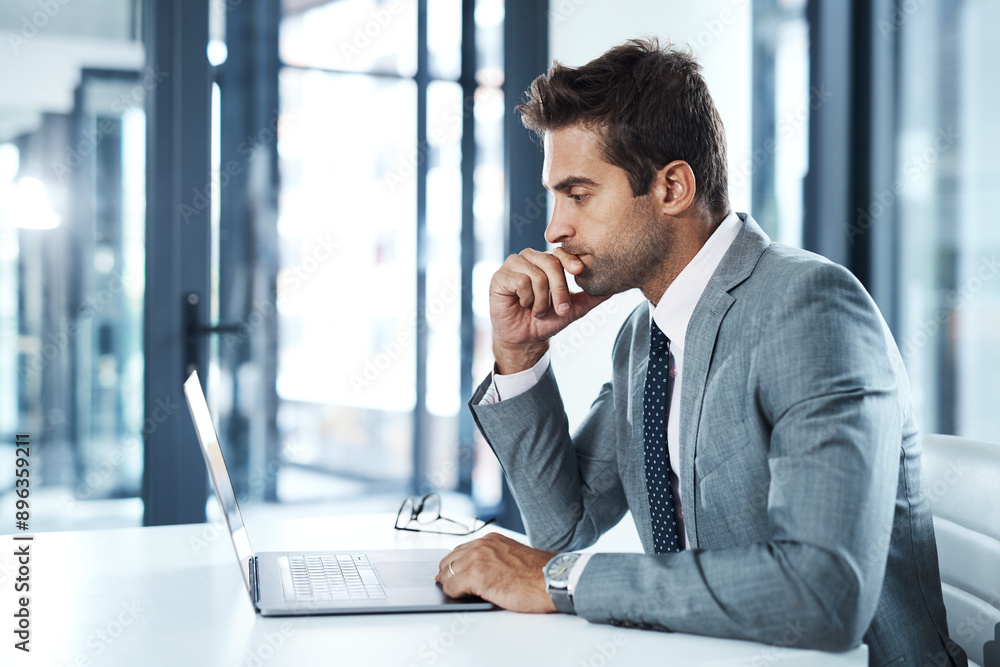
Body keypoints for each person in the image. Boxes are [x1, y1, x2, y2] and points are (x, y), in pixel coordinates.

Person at [433, 38, 966, 666]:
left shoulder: (809, 306)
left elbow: (823, 594)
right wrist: (519, 356)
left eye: (578, 194)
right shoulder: (646, 336)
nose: (553, 228)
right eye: (555, 197)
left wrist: (565, 581)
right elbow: (565, 530)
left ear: (673, 188)